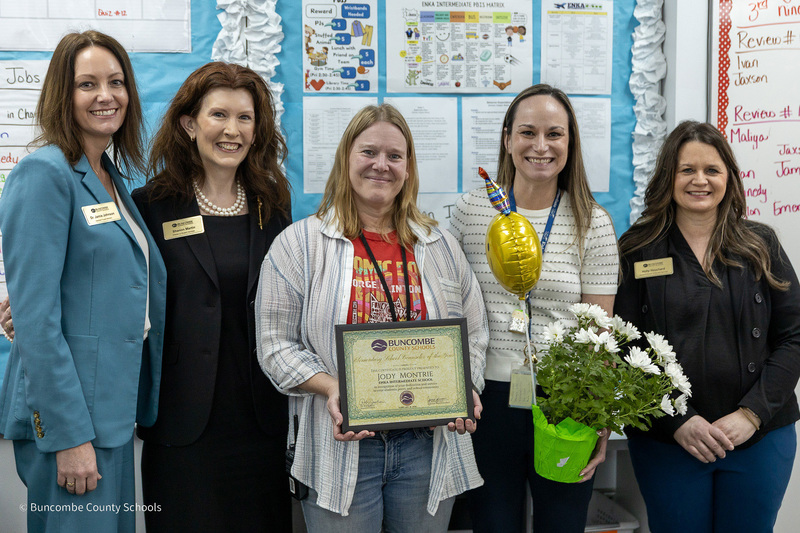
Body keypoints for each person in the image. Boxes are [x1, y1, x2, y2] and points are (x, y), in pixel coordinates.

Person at [256, 103, 488, 532]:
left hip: (427, 447)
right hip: (339, 445)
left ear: (408, 167)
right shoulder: (299, 244)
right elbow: (274, 344)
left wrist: (464, 385)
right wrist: (333, 387)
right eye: (369, 152)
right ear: (347, 157)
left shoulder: (439, 246)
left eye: (395, 156)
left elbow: (473, 332)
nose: (381, 165)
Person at [0, 30, 167, 531]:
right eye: (87, 84)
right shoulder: (44, 175)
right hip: (73, 424)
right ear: (62, 94)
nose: (105, 95)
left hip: (110, 416)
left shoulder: (109, 178)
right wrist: (69, 436)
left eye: (116, 82)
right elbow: (36, 321)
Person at [449, 84, 619, 532]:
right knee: (492, 524)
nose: (540, 146)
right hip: (484, 403)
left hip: (564, 404)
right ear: (507, 139)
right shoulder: (469, 212)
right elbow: (450, 309)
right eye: (527, 132)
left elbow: (599, 334)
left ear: (570, 143)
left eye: (554, 134)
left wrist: (597, 418)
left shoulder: (592, 222)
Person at [615, 121, 800, 533]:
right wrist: (677, 421)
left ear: (729, 179)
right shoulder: (638, 249)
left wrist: (751, 415)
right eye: (687, 170)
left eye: (712, 170)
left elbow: (794, 335)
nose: (700, 180)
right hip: (669, 441)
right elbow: (624, 347)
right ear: (668, 177)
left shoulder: (760, 245)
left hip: (759, 439)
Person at [131, 62, 293, 532]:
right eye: (219, 115)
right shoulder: (151, 204)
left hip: (261, 422)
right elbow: (116, 279)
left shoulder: (273, 202)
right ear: (189, 124)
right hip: (182, 426)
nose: (232, 130)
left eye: (245, 118)